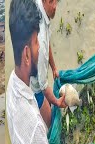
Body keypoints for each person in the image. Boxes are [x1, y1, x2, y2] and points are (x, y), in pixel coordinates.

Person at [7, 0, 83, 144]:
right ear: (27, 54)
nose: (40, 47)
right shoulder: (35, 128)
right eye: (36, 43)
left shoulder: (13, 84)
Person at [31, 0, 66, 128]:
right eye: (51, 2)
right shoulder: (40, 43)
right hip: (34, 89)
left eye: (56, 0)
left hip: (33, 75)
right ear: (44, 1)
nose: (55, 6)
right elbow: (43, 85)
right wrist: (57, 102)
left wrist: (54, 67)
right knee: (51, 123)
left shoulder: (41, 9)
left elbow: (48, 40)